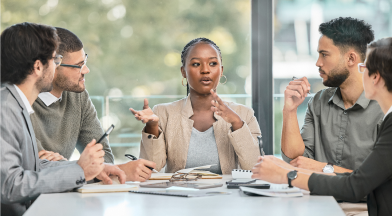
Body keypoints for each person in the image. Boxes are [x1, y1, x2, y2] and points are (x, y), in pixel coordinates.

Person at [252, 37, 392, 216]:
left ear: (376, 77)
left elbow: (356, 186)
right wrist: (286, 169)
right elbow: (360, 180)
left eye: (363, 68)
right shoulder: (319, 101)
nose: (360, 74)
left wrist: (286, 175)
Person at [0, 22, 125, 216]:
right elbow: (9, 186)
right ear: (38, 67)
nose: (56, 66)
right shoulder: (5, 108)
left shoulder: (16, 103)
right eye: (55, 60)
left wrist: (88, 169)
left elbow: (32, 167)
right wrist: (78, 171)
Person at [30, 27, 156, 182]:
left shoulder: (78, 96)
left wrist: (67, 166)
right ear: (54, 65)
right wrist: (85, 167)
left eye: (85, 61)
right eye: (79, 65)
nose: (86, 70)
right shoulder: (21, 101)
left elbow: (105, 157)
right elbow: (35, 166)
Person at [130, 38, 261, 174]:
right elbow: (150, 170)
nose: (205, 70)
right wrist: (152, 127)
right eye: (196, 64)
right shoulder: (163, 112)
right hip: (178, 193)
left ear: (221, 71)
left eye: (212, 63)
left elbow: (254, 169)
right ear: (183, 72)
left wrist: (237, 123)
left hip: (227, 194)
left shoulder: (244, 114)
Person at [281, 17, 383, 174]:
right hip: (317, 197)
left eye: (324, 54)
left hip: (363, 199)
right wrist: (289, 110)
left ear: (351, 58)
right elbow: (296, 161)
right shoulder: (318, 102)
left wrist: (325, 168)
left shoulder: (384, 107)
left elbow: (381, 181)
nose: (318, 63)